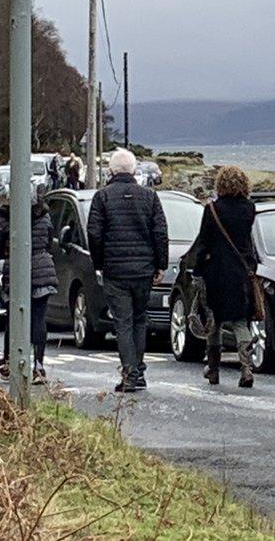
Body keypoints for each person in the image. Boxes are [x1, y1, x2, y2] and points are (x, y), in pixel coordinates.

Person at [87, 149, 168, 392]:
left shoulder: (102, 197)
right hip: (143, 269)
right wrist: (160, 265)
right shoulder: (149, 197)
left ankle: (130, 372)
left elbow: (94, 233)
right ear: (134, 170)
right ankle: (139, 371)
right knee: (140, 320)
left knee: (123, 322)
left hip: (116, 269)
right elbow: (160, 232)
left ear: (110, 171)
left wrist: (99, 263)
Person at [193, 166, 258, 388]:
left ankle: (213, 369)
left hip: (216, 272)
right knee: (241, 321)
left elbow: (204, 242)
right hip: (241, 272)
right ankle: (246, 367)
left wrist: (197, 270)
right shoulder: (250, 209)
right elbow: (247, 241)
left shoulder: (212, 210)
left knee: (215, 321)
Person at [0, 190, 59, 385]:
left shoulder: (5, 218)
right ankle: (38, 365)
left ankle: (9, 362)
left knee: (14, 319)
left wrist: (9, 252)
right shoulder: (44, 217)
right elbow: (49, 242)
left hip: (17, 269)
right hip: (42, 270)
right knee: (38, 319)